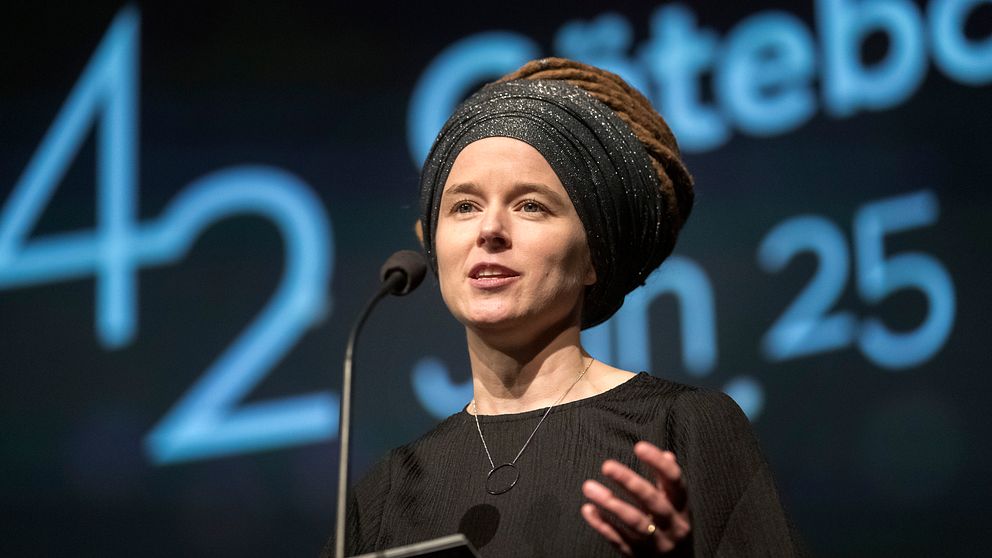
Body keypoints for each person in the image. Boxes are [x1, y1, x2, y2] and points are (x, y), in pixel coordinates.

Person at [322, 58, 802, 557]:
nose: (489, 230)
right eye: (464, 206)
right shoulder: (390, 490)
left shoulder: (682, 429)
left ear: (593, 256)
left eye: (531, 205)